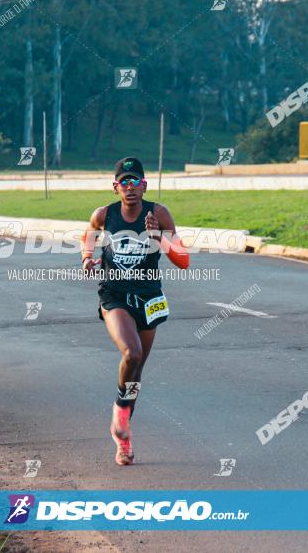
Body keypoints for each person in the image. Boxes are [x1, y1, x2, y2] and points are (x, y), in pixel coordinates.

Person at [81, 158, 191, 466]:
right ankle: (120, 415)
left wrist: (159, 239)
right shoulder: (104, 215)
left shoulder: (159, 213)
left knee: (137, 368)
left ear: (144, 186)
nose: (130, 188)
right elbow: (88, 236)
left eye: (135, 182)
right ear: (115, 187)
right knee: (131, 353)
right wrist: (88, 258)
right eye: (124, 183)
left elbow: (184, 261)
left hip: (148, 296)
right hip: (114, 293)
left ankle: (123, 438)